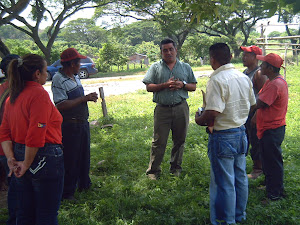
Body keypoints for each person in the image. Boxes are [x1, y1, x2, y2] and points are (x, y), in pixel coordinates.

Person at [195, 43, 256, 225]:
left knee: (225, 181)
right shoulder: (243, 77)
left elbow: (212, 112)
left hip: (223, 136)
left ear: (212, 60)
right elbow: (252, 104)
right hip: (241, 133)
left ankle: (227, 220)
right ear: (230, 57)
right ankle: (240, 214)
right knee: (240, 177)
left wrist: (199, 118)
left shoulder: (217, 79)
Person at [0, 54, 64, 224]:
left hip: (20, 154)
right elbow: (37, 131)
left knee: (25, 211)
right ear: (37, 74)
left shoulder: (12, 97)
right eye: (45, 70)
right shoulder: (38, 94)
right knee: (46, 213)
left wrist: (11, 160)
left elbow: (4, 133)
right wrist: (26, 164)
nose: (47, 74)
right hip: (43, 157)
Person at [142, 38, 197, 180]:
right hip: (162, 109)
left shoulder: (185, 67)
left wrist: (182, 85)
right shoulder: (155, 67)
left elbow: (193, 86)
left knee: (180, 140)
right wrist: (165, 85)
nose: (168, 52)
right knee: (159, 141)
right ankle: (153, 171)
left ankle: (176, 168)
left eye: (171, 49)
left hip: (181, 108)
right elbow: (149, 87)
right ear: (161, 52)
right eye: (165, 50)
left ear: (176, 50)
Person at [51, 48, 98, 200]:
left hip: (82, 122)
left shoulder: (75, 76)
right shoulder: (58, 79)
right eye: (78, 62)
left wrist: (87, 98)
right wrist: (84, 99)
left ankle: (84, 184)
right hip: (70, 126)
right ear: (72, 63)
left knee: (84, 155)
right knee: (71, 159)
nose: (80, 64)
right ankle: (68, 192)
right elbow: (61, 105)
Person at [254, 53, 288, 201]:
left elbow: (259, 103)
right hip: (268, 127)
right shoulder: (272, 81)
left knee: (273, 162)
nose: (261, 66)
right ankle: (270, 185)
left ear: (270, 68)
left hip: (272, 129)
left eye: (263, 64)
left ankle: (275, 194)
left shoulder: (275, 84)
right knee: (268, 159)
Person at [240, 45, 268, 179]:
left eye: (247, 55)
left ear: (255, 57)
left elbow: (263, 96)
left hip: (255, 113)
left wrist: (256, 115)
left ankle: (258, 169)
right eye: (243, 54)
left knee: (256, 141)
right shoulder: (245, 72)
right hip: (246, 112)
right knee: (247, 139)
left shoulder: (258, 74)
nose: (243, 57)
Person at [0, 54, 20, 225]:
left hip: (3, 147)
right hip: (15, 148)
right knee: (18, 188)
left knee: (12, 185)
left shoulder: (2, 90)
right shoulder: (20, 91)